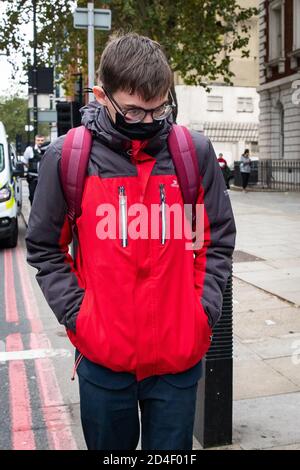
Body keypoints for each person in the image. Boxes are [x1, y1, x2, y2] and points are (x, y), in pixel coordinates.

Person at [26, 33, 236, 451]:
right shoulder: (67, 158)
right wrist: (80, 317)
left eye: (160, 109)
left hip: (178, 361)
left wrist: (200, 315)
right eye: (136, 111)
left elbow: (216, 240)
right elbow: (45, 248)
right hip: (104, 362)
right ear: (102, 96)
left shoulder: (192, 152)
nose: (150, 121)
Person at [22, 134, 46, 205]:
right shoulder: (29, 149)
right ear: (35, 141)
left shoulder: (48, 149)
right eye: (38, 140)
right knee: (33, 197)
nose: (40, 142)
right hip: (33, 177)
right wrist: (31, 168)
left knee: (43, 198)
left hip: (44, 178)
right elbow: (24, 162)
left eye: (42, 140)